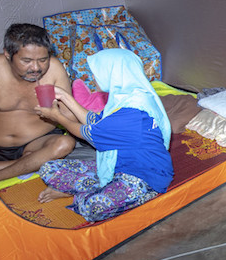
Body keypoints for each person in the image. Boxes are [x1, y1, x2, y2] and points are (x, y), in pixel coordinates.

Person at [34, 48, 173, 223]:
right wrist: (64, 97)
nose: (94, 78)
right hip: (115, 166)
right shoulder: (127, 98)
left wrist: (57, 117)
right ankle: (95, 189)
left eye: (97, 73)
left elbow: (88, 133)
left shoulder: (132, 111)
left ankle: (142, 195)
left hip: (143, 177)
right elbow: (94, 120)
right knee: (48, 168)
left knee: (92, 208)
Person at [0, 23, 76, 183]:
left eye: (42, 60)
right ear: (8, 54)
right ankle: (26, 164)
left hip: (38, 143)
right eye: (26, 60)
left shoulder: (54, 69)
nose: (36, 68)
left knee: (65, 143)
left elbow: (70, 117)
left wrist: (56, 114)